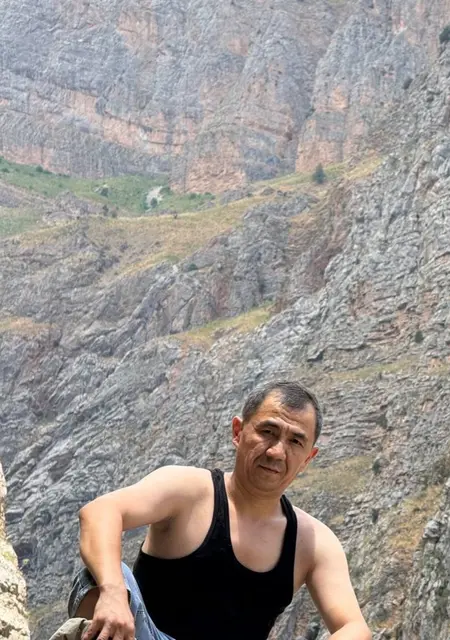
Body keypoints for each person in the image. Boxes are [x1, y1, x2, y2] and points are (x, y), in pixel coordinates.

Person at [50, 380, 371, 640]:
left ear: (308, 458)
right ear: (238, 432)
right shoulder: (189, 490)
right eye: (267, 432)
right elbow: (100, 512)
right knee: (100, 577)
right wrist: (113, 593)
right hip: (145, 635)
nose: (276, 451)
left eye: (295, 442)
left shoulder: (312, 541)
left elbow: (354, 627)